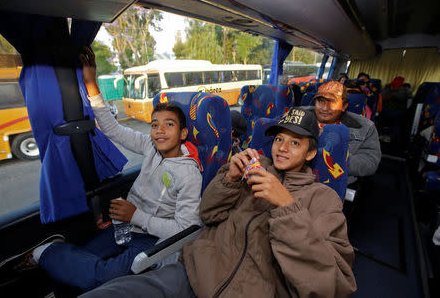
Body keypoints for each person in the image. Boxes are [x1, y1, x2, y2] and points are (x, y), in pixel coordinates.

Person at [79, 107, 357, 298]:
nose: (282, 148)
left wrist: (287, 208)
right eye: (279, 139)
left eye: (295, 143)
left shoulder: (323, 199)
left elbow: (331, 284)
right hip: (196, 271)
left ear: (311, 154)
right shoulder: (254, 169)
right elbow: (207, 214)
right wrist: (230, 179)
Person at [0, 46, 203, 291]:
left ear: (184, 133)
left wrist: (136, 215)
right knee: (80, 261)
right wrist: (91, 84)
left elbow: (186, 229)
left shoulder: (189, 173)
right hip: (126, 225)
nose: (159, 130)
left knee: (102, 278)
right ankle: (55, 254)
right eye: (154, 124)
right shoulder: (149, 146)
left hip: (153, 238)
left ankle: (43, 252)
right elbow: (112, 129)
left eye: (169, 124)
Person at [310, 80, 381, 182]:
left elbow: (370, 163)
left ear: (344, 106)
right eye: (321, 101)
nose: (325, 108)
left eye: (332, 102)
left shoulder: (364, 127)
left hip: (335, 183)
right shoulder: (300, 116)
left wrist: (336, 157)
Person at [379, 76, 413, 145]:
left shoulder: (405, 90)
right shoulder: (387, 88)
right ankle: (384, 135)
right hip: (387, 110)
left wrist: (392, 94)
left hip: (398, 111)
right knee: (385, 122)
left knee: (395, 124)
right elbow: (382, 96)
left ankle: (391, 137)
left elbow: (406, 99)